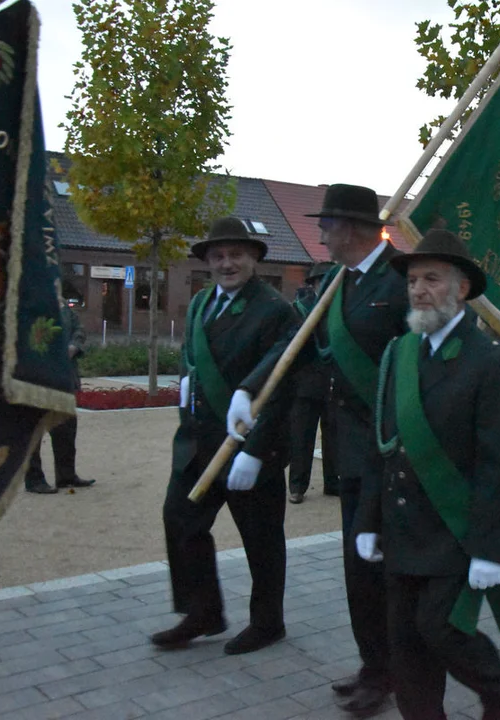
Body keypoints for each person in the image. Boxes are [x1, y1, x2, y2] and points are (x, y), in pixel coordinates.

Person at [230, 184, 408, 716]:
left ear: (351, 229)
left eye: (326, 224)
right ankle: (375, 665)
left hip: (393, 448)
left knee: (382, 566)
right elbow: (295, 346)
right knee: (358, 567)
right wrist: (249, 389)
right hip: (353, 450)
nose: (319, 233)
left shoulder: (403, 279)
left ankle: (398, 669)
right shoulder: (336, 282)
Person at [354, 229, 500, 720]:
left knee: (440, 628)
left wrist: (490, 548)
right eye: (413, 280)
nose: (418, 290)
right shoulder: (398, 355)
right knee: (405, 644)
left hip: (455, 530)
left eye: (432, 278)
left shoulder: (491, 363)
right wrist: (367, 520)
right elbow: (382, 446)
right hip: (402, 529)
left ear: (463, 289)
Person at [152, 217, 297, 655]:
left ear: (253, 258)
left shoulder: (274, 310)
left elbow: (280, 383)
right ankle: (202, 613)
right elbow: (191, 359)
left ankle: (268, 622)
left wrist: (256, 452)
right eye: (218, 256)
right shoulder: (199, 304)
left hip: (246, 447)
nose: (226, 263)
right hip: (197, 442)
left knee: (261, 538)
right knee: (180, 520)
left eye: (236, 254)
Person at [25, 298, 96, 494]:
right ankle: (34, 479)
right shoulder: (29, 304)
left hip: (64, 376)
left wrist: (73, 347)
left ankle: (66, 476)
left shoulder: (65, 307)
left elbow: (79, 330)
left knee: (65, 429)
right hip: (37, 376)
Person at [286, 262, 338, 504]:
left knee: (334, 437)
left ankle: (333, 482)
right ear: (316, 284)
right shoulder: (299, 310)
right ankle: (297, 486)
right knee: (301, 439)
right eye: (323, 281)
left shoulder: (339, 308)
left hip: (333, 383)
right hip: (305, 384)